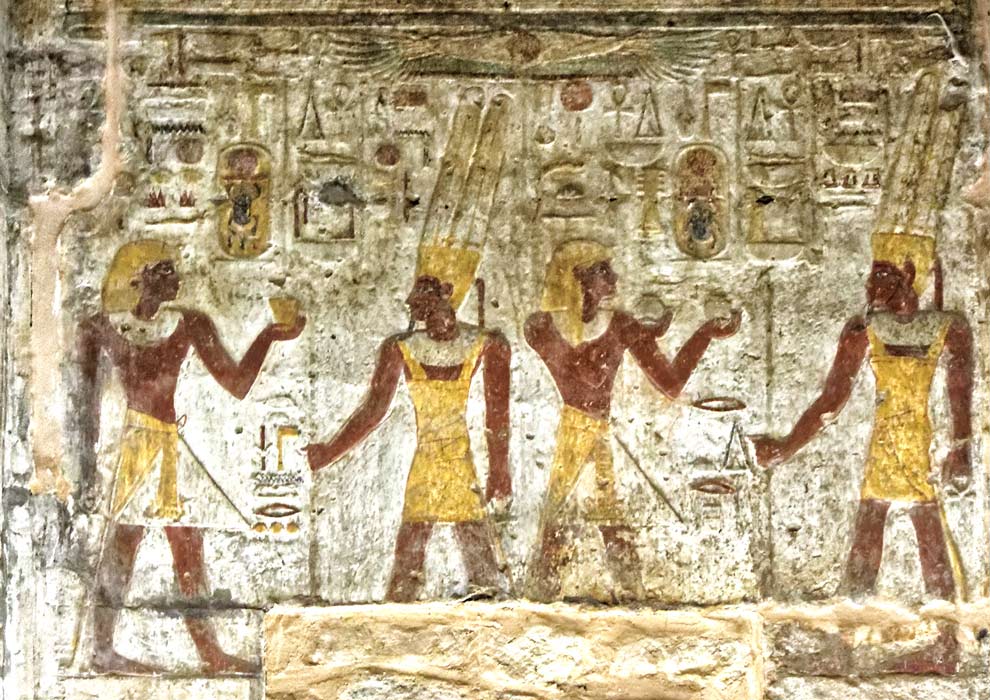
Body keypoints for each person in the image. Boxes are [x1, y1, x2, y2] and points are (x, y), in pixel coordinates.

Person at [76, 239, 305, 674]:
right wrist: (87, 471)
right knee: (124, 544)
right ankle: (103, 649)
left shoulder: (189, 324)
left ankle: (209, 653)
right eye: (164, 270)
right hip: (136, 447)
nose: (176, 277)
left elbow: (237, 383)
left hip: (168, 445)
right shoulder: (99, 328)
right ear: (140, 277)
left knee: (187, 546)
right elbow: (84, 410)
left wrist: (270, 335)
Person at [752, 232, 972, 601]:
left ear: (907, 273)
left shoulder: (950, 330)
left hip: (920, 448)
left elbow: (959, 394)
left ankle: (945, 622)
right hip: (885, 448)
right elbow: (831, 401)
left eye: (880, 275)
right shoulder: (863, 331)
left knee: (926, 540)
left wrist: (961, 448)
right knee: (870, 537)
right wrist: (785, 449)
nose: (870, 285)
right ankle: (856, 615)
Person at [524, 240, 740, 600]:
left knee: (602, 523)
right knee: (568, 524)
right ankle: (568, 597)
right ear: (579, 279)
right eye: (603, 271)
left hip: (594, 435)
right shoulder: (544, 327)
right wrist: (642, 334)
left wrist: (702, 334)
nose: (615, 278)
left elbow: (671, 383)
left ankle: (626, 597)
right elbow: (588, 374)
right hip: (572, 437)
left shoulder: (613, 325)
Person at [306, 247, 512, 602]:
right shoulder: (401, 348)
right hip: (428, 459)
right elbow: (373, 410)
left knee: (477, 560)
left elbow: (497, 417)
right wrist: (329, 452)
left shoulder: (487, 345)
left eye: (424, 291)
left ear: (447, 293)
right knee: (410, 557)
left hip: (458, 460)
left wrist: (499, 472)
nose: (412, 302)